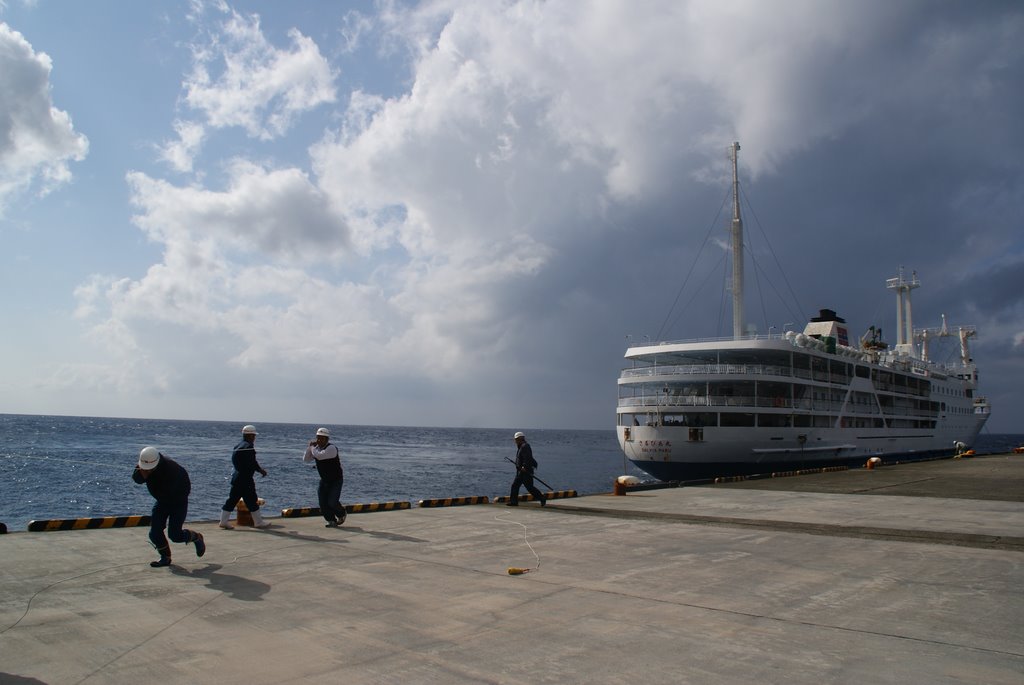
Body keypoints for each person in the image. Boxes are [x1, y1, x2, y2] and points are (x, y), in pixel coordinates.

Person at [132, 446, 205, 567]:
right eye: (145, 468)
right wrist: (142, 474)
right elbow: (137, 479)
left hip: (178, 503)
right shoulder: (144, 465)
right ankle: (165, 557)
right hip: (162, 502)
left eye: (150, 469)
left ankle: (196, 537)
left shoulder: (172, 469)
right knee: (154, 533)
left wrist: (172, 495)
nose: (148, 471)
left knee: (175, 535)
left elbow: (186, 487)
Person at [220, 424, 270, 529]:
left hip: (236, 478)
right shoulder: (249, 447)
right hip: (246, 479)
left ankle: (223, 521)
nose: (254, 438)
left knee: (232, 500)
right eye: (254, 436)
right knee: (252, 499)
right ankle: (258, 522)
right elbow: (252, 462)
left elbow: (236, 462)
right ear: (251, 435)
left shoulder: (237, 446)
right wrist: (261, 471)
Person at [303, 427, 347, 528]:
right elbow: (306, 459)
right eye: (318, 438)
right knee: (322, 503)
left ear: (327, 439)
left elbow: (319, 456)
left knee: (332, 502)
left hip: (336, 480)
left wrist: (312, 447)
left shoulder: (331, 448)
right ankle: (331, 520)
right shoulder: (316, 449)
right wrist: (309, 448)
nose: (319, 440)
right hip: (324, 480)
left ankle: (341, 513)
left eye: (322, 438)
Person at [507, 431, 547, 507]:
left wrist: (524, 467)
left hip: (525, 471)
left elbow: (527, 458)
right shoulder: (521, 446)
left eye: (516, 439)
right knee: (516, 485)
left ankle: (542, 498)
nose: (515, 441)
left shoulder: (525, 446)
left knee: (529, 487)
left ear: (519, 439)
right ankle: (514, 502)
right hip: (521, 471)